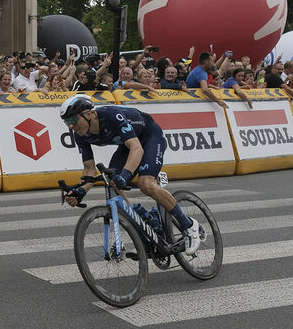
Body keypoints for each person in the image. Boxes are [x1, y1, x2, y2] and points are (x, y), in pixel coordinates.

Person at [59, 94, 203, 253]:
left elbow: (137, 148)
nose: (71, 126)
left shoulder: (110, 116)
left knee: (145, 184)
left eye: (73, 121)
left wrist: (126, 175)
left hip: (148, 137)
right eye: (67, 123)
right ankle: (144, 220)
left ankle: (189, 226)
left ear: (88, 114)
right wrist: (80, 191)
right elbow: (89, 170)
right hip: (127, 145)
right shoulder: (80, 135)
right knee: (114, 186)